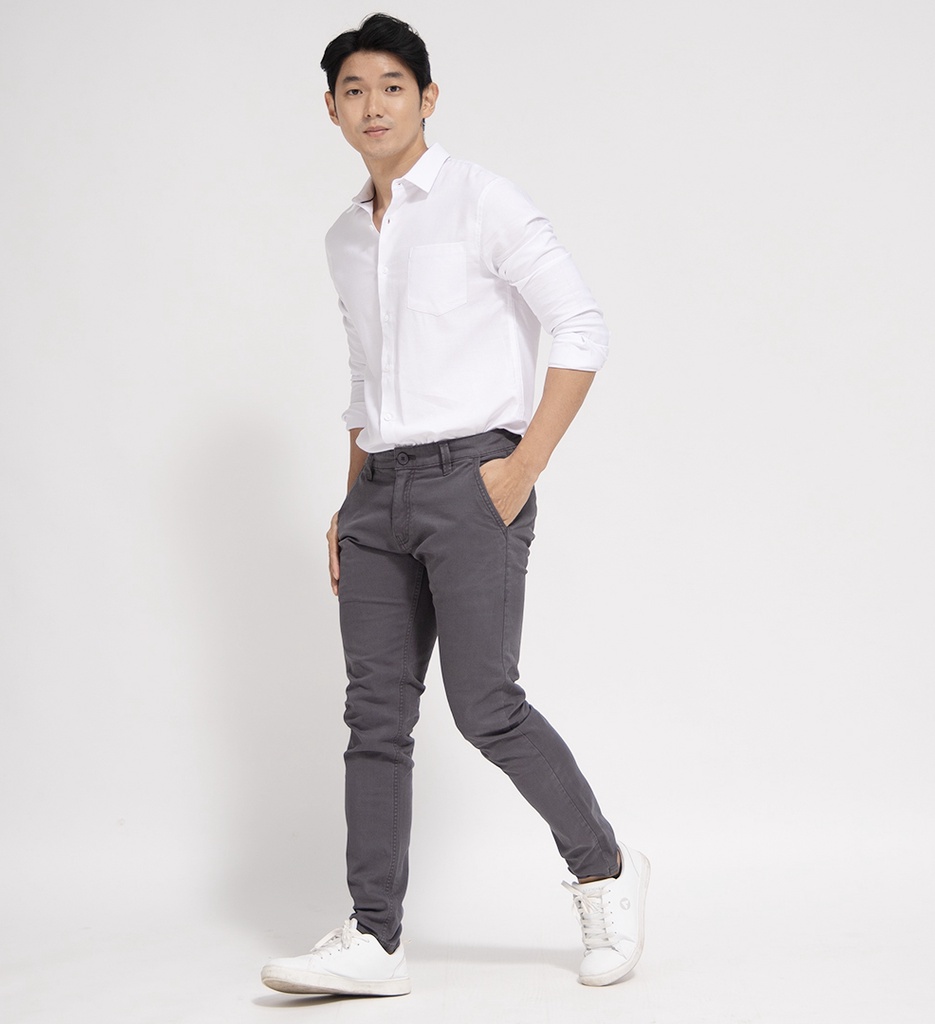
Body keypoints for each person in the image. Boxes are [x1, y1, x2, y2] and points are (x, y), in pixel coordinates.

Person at [261, 12, 648, 997]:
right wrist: (348, 502)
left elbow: (580, 326)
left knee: (485, 706)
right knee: (375, 716)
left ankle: (605, 869)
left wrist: (519, 470)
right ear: (330, 109)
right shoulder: (344, 237)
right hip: (377, 497)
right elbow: (365, 382)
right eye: (354, 90)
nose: (374, 105)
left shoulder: (483, 200)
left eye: (392, 86)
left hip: (475, 480)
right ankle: (374, 938)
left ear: (426, 98)